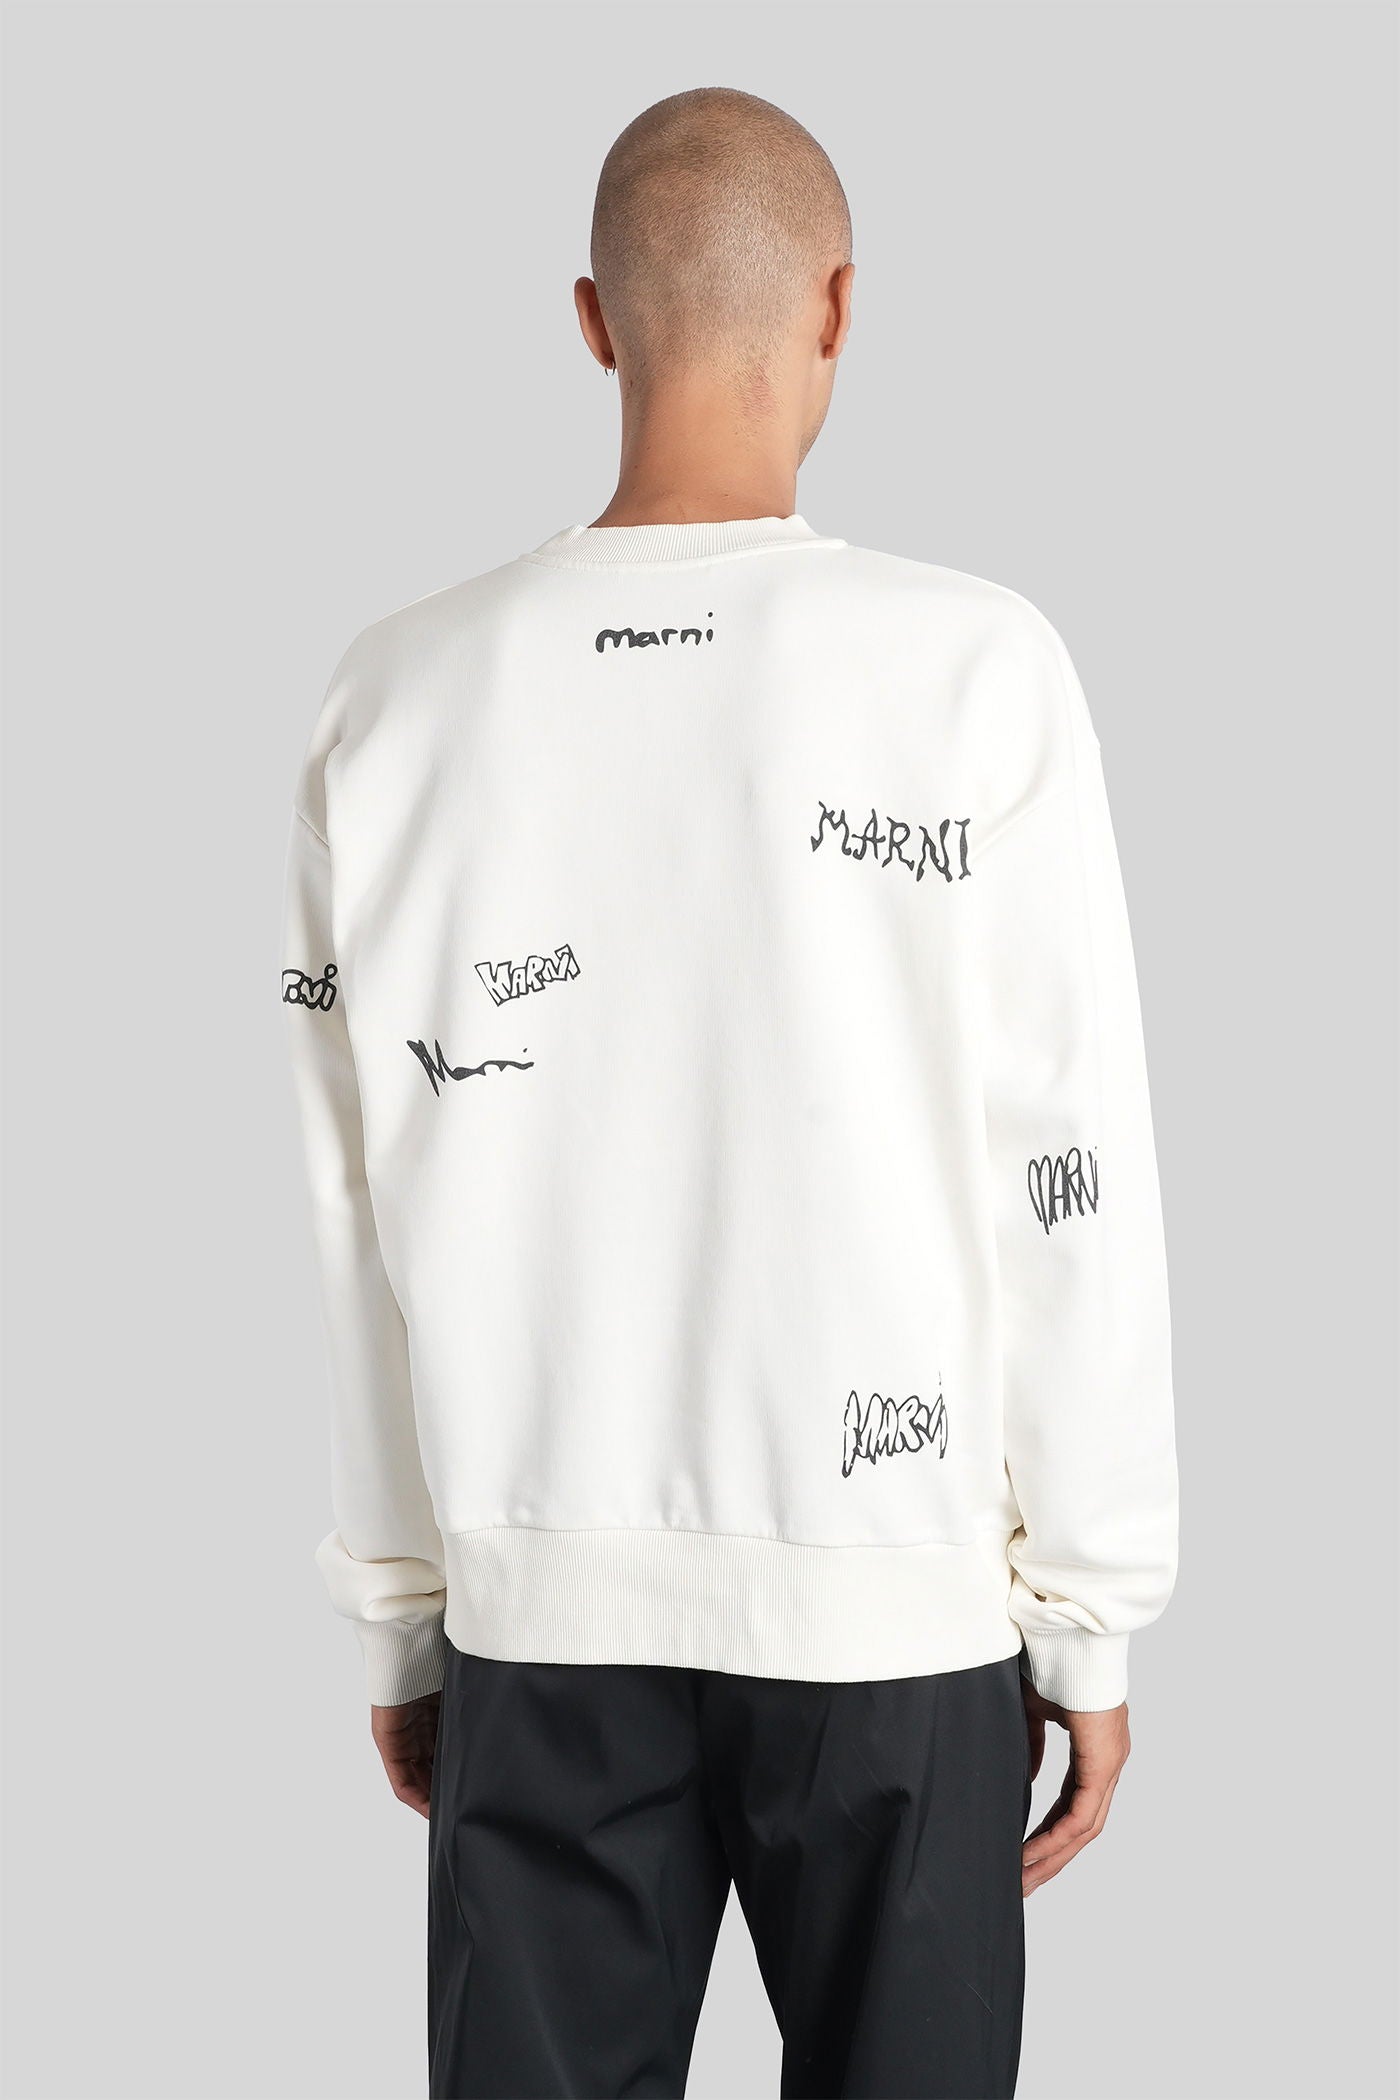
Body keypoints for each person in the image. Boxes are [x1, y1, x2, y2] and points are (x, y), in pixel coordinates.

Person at [282, 86, 1177, 2100]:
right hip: (896, 1619)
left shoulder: (390, 697)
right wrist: (1091, 1615)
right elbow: (1070, 1163)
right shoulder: (977, 670)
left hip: (542, 1607)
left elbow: (350, 1203)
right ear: (840, 307)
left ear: (593, 320)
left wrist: (409, 1611)